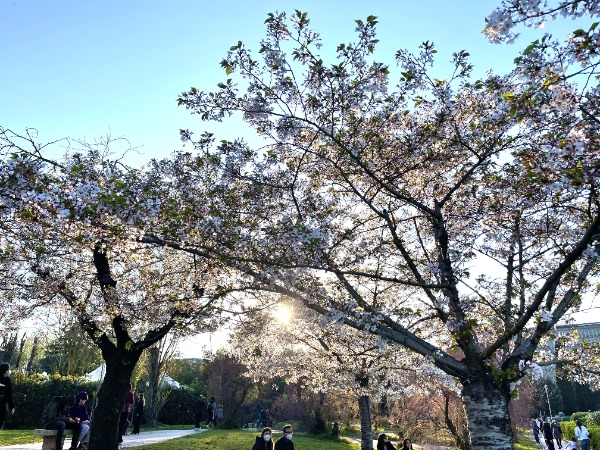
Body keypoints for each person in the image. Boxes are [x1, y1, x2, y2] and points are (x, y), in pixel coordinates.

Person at [0, 363, 15, 430]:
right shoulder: (6, 380)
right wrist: (11, 407)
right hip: (1, 404)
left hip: (2, 404)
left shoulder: (6, 380)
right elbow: (9, 394)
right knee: (1, 419)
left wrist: (11, 407)